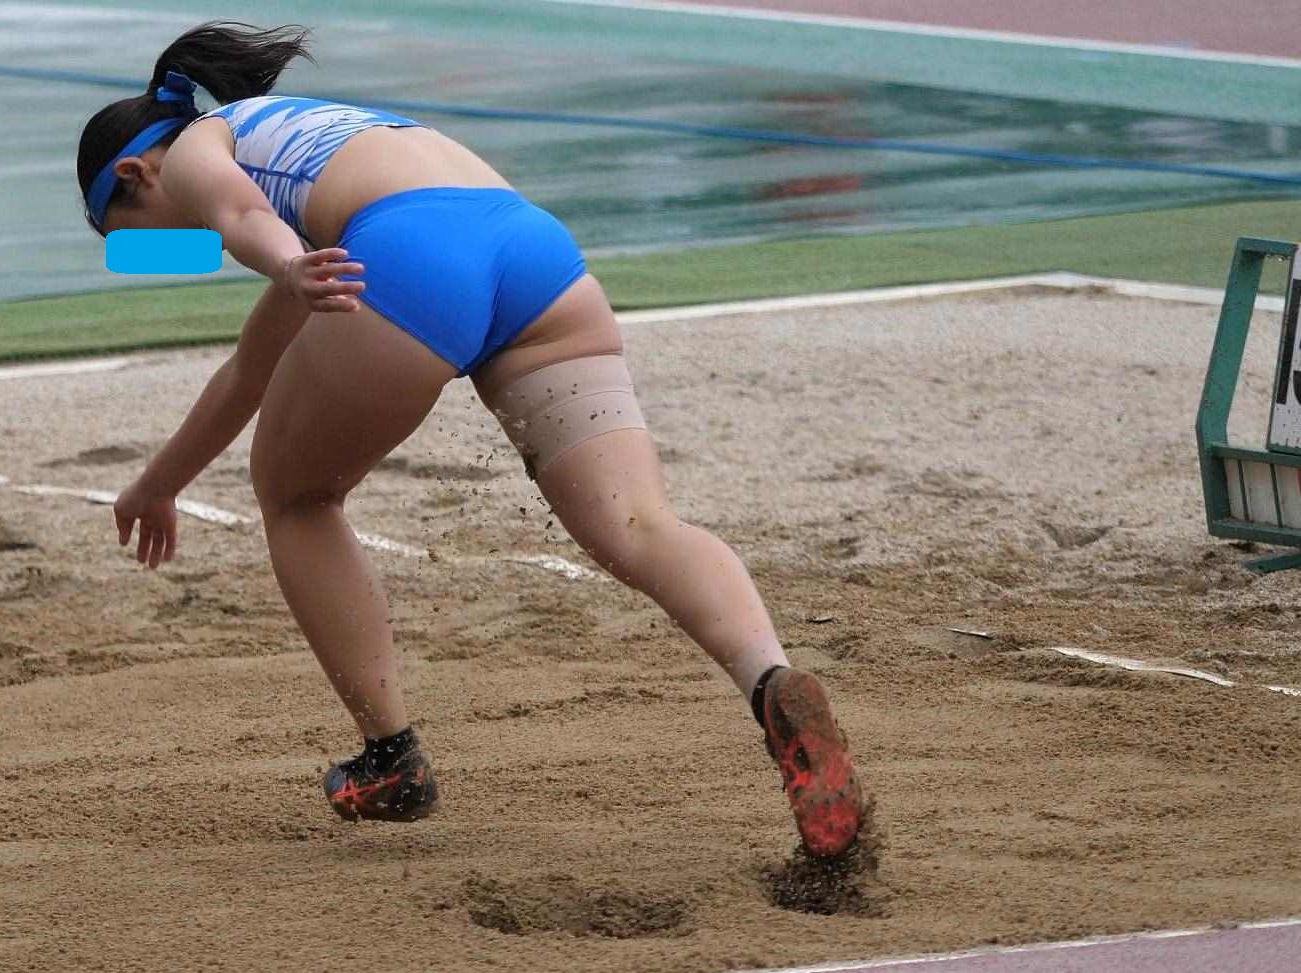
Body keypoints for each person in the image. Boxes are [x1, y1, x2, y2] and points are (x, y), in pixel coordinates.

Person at [78, 22, 867, 857]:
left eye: (133, 235)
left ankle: (391, 759)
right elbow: (250, 369)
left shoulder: (198, 145)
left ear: (135, 173)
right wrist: (159, 483)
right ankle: (771, 681)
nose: (169, 249)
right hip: (534, 252)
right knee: (636, 524)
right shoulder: (318, 146)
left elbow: (235, 214)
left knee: (297, 495)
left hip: (412, 250)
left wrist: (282, 263)